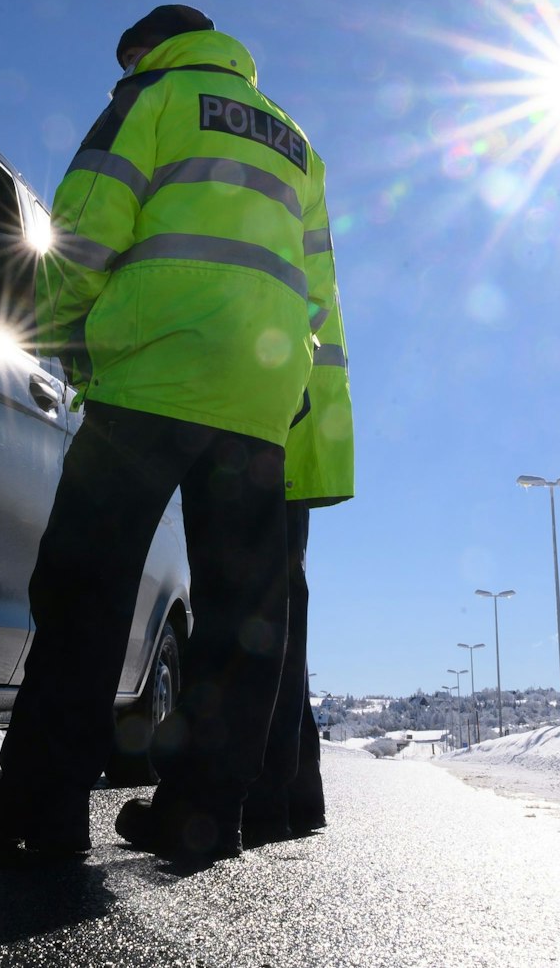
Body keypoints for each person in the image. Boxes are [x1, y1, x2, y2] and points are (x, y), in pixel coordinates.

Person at [0, 4, 333, 862]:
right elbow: (318, 294)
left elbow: (84, 230)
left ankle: (42, 809)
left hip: (153, 372)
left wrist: (55, 338)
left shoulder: (150, 98)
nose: (120, 73)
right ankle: (204, 819)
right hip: (262, 394)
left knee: (85, 590)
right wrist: (307, 416)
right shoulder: (296, 141)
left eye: (126, 58)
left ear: (149, 49)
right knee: (239, 620)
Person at [242, 187, 354, 846]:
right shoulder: (299, 161)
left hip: (264, 408)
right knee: (280, 608)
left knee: (262, 614)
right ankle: (293, 792)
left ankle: (264, 795)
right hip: (300, 411)